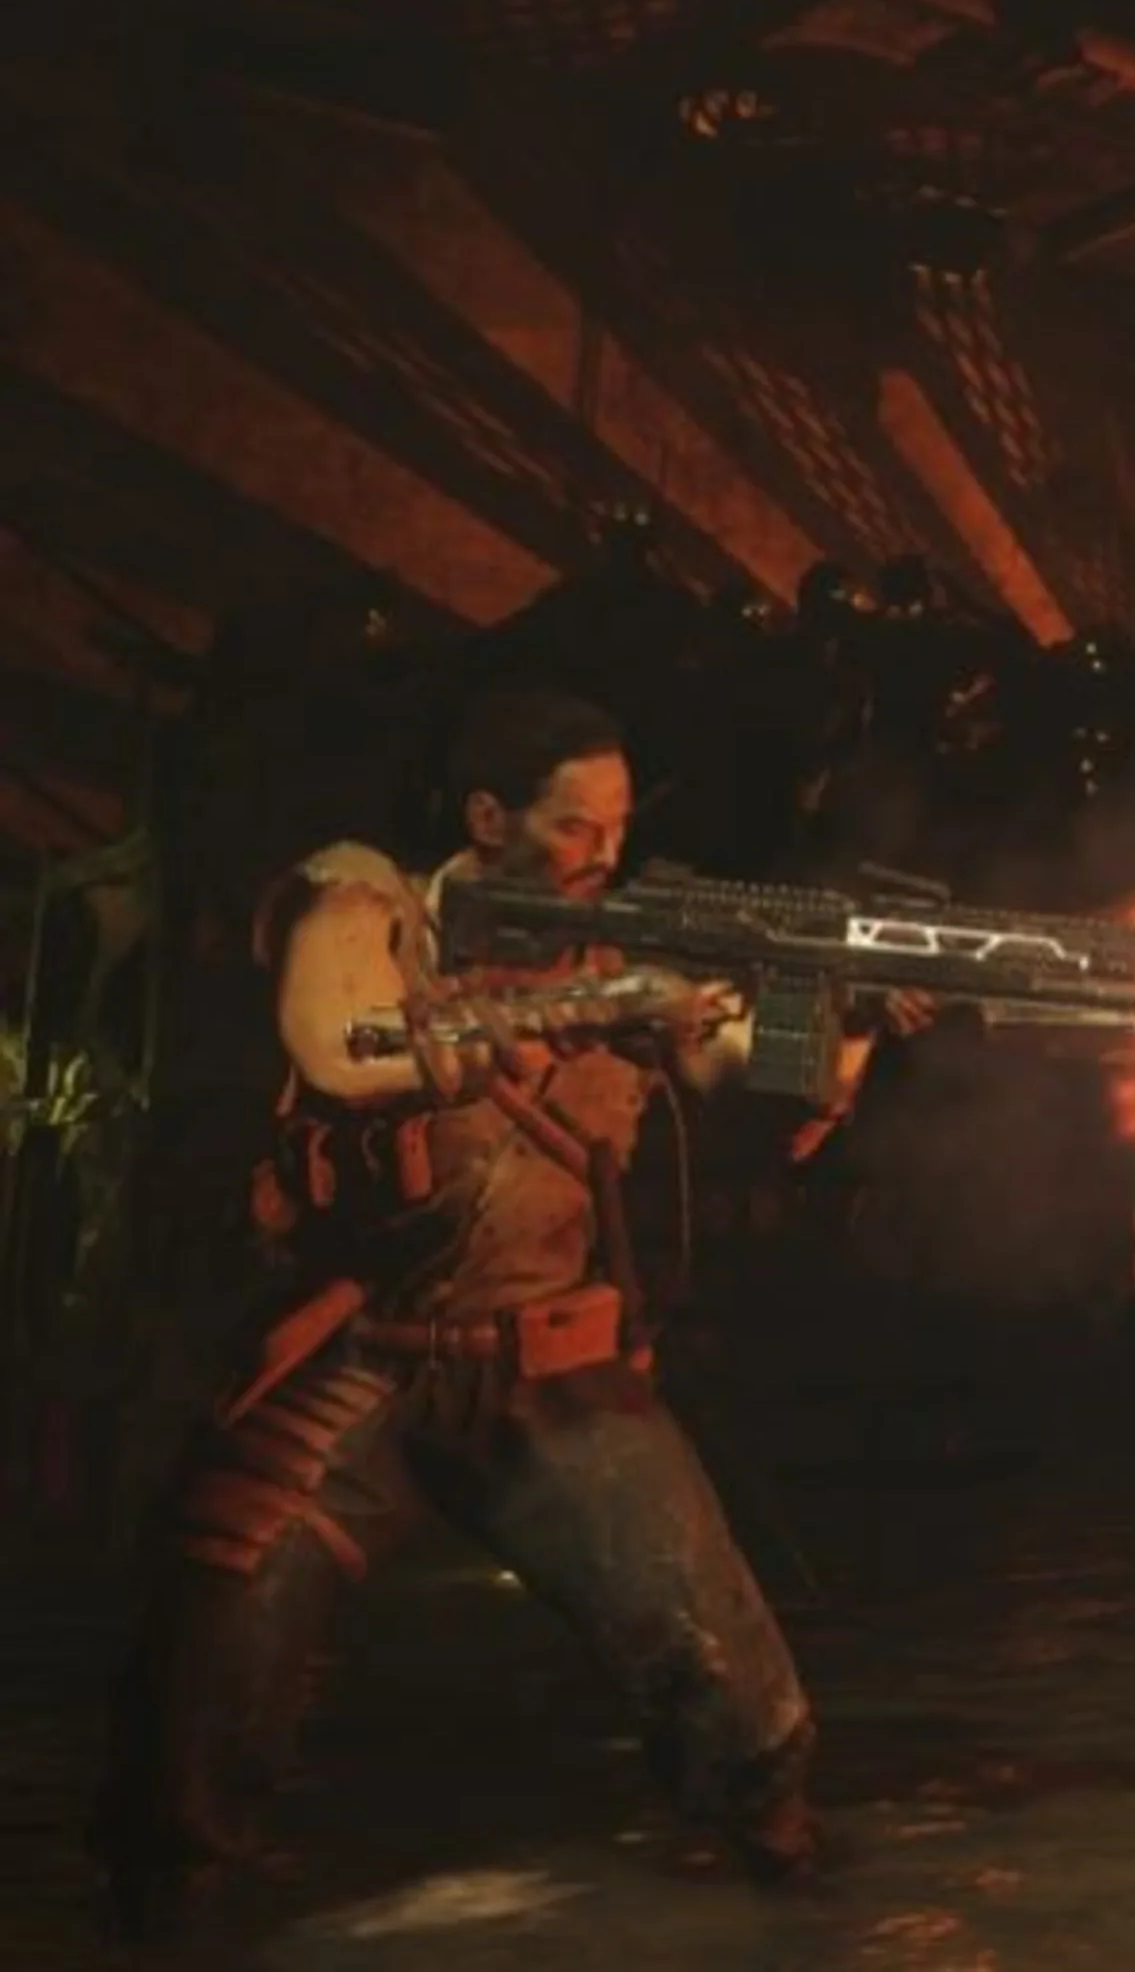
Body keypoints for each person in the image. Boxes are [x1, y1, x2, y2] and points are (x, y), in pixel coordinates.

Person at [92, 690, 928, 1932]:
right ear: (487, 819)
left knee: (732, 1692)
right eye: (575, 826)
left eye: (619, 828)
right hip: (365, 1351)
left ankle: (799, 1901)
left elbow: (740, 1071)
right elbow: (339, 1050)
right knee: (218, 1638)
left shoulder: (622, 953)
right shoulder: (366, 902)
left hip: (548, 1362)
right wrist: (592, 1008)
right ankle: (167, 1914)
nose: (604, 855)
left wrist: (844, 1016)